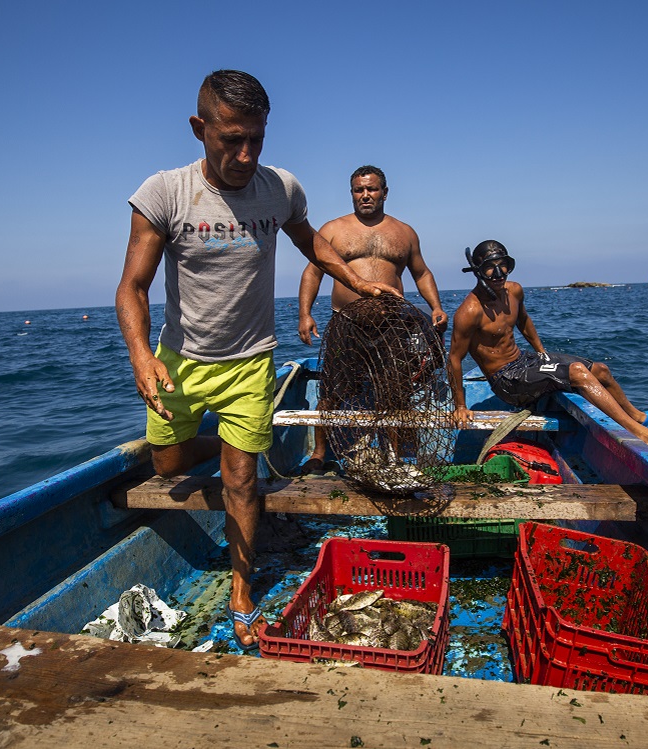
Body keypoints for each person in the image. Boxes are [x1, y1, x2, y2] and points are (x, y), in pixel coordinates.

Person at [115, 70, 397, 651]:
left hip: (251, 359)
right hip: (181, 359)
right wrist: (141, 356)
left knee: (241, 477)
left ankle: (242, 590)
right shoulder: (163, 194)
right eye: (231, 139)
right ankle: (226, 443)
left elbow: (311, 242)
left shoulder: (280, 188)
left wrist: (355, 281)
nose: (245, 155)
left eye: (257, 140)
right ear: (200, 128)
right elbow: (132, 288)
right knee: (167, 465)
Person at [296, 165, 447, 474]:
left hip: (392, 325)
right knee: (330, 392)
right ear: (352, 193)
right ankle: (319, 453)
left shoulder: (404, 232)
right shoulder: (333, 230)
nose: (365, 195)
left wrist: (436, 306)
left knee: (394, 392)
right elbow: (313, 272)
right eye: (358, 190)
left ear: (384, 193)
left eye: (372, 189)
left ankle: (393, 454)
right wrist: (305, 313)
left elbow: (422, 272)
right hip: (345, 322)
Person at [446, 240, 648, 446]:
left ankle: (638, 417)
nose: (499, 274)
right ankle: (639, 435)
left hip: (523, 361)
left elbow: (524, 321)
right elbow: (454, 359)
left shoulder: (514, 291)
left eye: (503, 265)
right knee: (578, 372)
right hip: (505, 380)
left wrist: (542, 353)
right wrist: (460, 406)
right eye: (490, 268)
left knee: (601, 370)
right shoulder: (470, 311)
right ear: (478, 271)